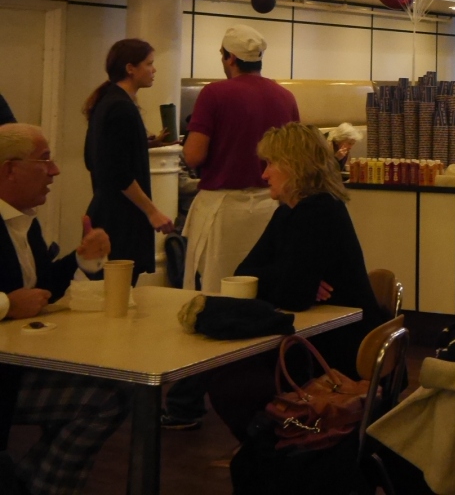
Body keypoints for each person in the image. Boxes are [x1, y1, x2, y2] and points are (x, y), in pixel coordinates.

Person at [207, 123, 387, 440]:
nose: (264, 174)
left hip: (337, 350)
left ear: (294, 166)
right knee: (230, 371)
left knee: (230, 379)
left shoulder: (317, 213)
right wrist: (290, 274)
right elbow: (244, 272)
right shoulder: (290, 212)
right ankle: (272, 447)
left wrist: (291, 279)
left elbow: (292, 296)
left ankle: (274, 446)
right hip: (322, 336)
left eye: (271, 164)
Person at [164, 25, 299, 431]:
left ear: (229, 57)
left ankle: (186, 401)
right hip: (270, 208)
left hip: (224, 210)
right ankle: (265, 390)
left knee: (210, 299)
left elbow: (195, 154)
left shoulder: (215, 94)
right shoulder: (285, 96)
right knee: (261, 297)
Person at [0, 123, 129, 495]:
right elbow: (20, 299)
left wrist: (82, 258)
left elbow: (40, 290)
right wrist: (7, 303)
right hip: (6, 376)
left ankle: (31, 483)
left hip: (16, 366)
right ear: (10, 169)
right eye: (44, 160)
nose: (55, 170)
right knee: (105, 398)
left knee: (111, 390)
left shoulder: (24, 222)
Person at [83, 39, 175, 283]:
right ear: (130, 68)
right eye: (149, 64)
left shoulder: (106, 102)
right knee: (118, 290)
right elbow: (119, 172)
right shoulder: (121, 108)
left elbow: (94, 158)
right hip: (120, 219)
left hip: (106, 211)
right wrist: (152, 211)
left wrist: (143, 145)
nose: (154, 69)